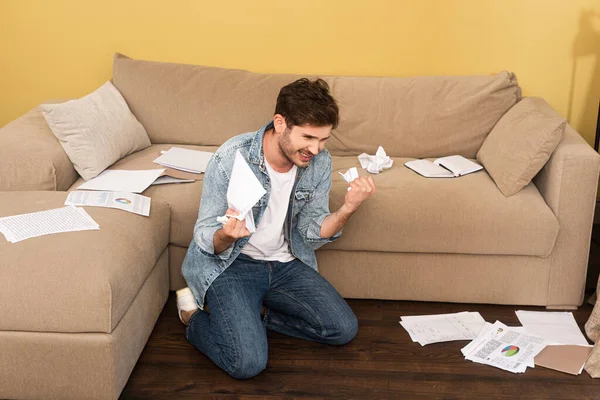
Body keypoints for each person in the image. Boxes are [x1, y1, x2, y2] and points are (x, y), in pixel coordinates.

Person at [177, 78, 376, 379]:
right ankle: (192, 317)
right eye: (309, 137)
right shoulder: (231, 157)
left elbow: (312, 230)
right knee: (247, 363)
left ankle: (256, 316)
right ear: (280, 123)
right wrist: (226, 235)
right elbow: (206, 238)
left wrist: (348, 208)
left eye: (323, 140)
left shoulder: (318, 162)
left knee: (342, 328)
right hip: (232, 265)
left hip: (284, 264)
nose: (316, 149)